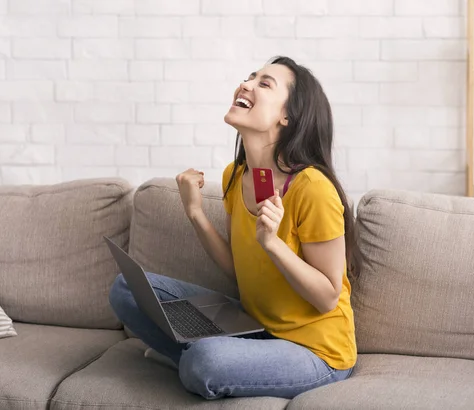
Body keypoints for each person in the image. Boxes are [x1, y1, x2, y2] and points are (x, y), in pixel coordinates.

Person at [109, 56, 357, 400]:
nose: (246, 84)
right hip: (253, 327)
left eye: (264, 83)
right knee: (126, 289)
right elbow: (237, 270)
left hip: (315, 351)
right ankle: (211, 363)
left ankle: (193, 362)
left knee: (204, 360)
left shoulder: (312, 189)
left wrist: (273, 244)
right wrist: (195, 212)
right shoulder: (237, 176)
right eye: (249, 77)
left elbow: (328, 297)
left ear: (287, 116)